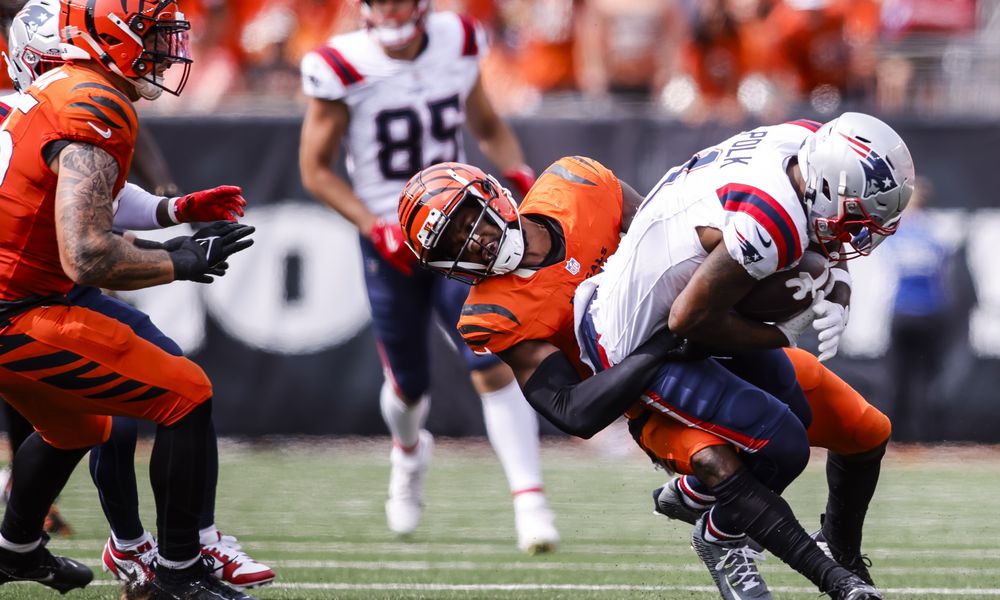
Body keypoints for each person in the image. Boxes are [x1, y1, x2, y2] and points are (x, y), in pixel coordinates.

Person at [398, 112, 912, 600]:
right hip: (642, 389)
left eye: (468, 219)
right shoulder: (494, 312)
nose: (475, 241)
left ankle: (828, 547)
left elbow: (661, 235)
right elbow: (573, 411)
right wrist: (679, 339)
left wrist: (814, 284)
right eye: (452, 243)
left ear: (491, 194)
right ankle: (734, 535)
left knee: (864, 428)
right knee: (747, 454)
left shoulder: (574, 184)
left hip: (704, 333)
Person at [0, 0, 276, 591]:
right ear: (109, 39)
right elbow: (88, 254)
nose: (166, 49)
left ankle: (14, 549)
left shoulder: (57, 90)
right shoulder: (91, 103)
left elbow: (83, 189)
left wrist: (171, 211)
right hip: (15, 311)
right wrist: (182, 260)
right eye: (151, 35)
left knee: (81, 427)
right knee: (186, 393)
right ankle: (179, 572)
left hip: (21, 297)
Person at [298, 0, 558, 552]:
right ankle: (409, 453)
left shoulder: (458, 38)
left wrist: (517, 174)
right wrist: (374, 225)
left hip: (457, 233)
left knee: (492, 357)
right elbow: (315, 169)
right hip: (388, 240)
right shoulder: (341, 65)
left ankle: (529, 501)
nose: (389, 10)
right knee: (408, 385)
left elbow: (487, 124)